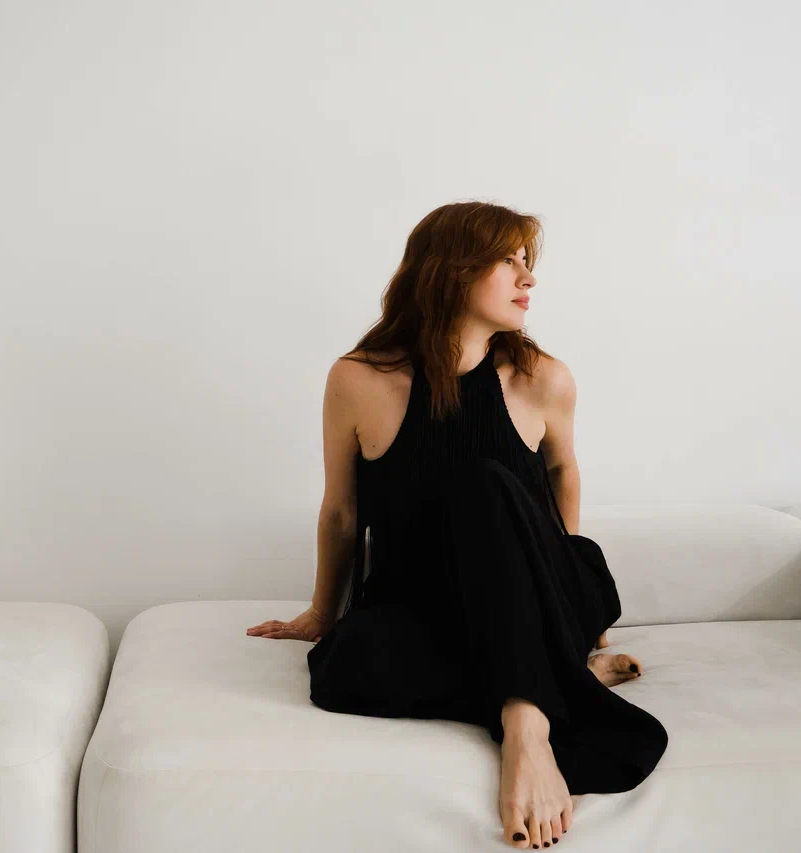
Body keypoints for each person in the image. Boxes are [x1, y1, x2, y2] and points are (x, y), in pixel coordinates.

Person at [247, 201, 669, 849]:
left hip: (542, 587)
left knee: (480, 482)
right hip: (427, 602)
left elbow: (563, 476)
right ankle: (564, 677)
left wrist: (564, 611)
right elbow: (341, 511)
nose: (528, 278)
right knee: (340, 670)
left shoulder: (543, 379)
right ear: (450, 269)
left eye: (528, 262)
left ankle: (526, 724)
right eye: (508, 261)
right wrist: (321, 612)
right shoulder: (359, 378)